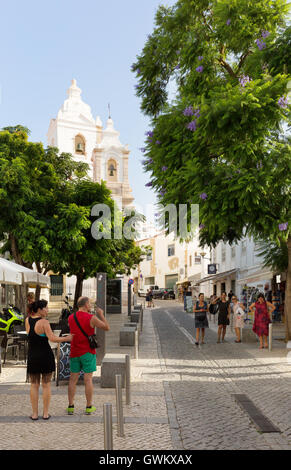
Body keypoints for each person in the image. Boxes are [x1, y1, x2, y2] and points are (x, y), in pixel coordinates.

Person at [25, 299, 73, 420]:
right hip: (45, 356)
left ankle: (35, 414)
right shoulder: (44, 322)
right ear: (40, 310)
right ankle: (45, 414)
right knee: (46, 385)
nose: (48, 310)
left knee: (34, 385)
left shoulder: (27, 320)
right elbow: (52, 338)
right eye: (46, 308)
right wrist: (67, 338)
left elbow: (30, 335)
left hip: (32, 356)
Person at [67, 296, 110, 415]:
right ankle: (89, 406)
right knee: (88, 379)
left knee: (72, 380)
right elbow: (107, 327)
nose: (90, 306)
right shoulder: (92, 318)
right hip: (88, 352)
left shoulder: (71, 317)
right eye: (89, 304)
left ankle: (71, 406)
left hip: (74, 352)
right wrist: (101, 314)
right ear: (86, 305)